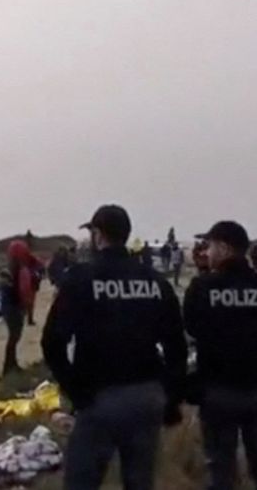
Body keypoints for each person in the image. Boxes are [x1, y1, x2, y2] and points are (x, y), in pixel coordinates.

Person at [42, 204, 187, 490]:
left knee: (81, 481)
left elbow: (52, 342)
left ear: (98, 235)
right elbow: (176, 346)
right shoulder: (155, 281)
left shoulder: (81, 278)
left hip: (99, 398)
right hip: (147, 396)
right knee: (139, 481)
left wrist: (76, 392)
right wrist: (171, 398)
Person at [183, 221, 257, 490]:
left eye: (211, 246)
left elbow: (192, 327)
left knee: (221, 469)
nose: (206, 252)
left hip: (219, 392)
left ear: (225, 248)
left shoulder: (202, 287)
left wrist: (206, 277)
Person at [1, 240, 37, 378]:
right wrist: (26, 304)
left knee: (14, 337)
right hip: (15, 307)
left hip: (10, 307)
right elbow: (23, 289)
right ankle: (8, 366)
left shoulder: (9, 270)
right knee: (14, 337)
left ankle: (11, 364)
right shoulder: (19, 270)